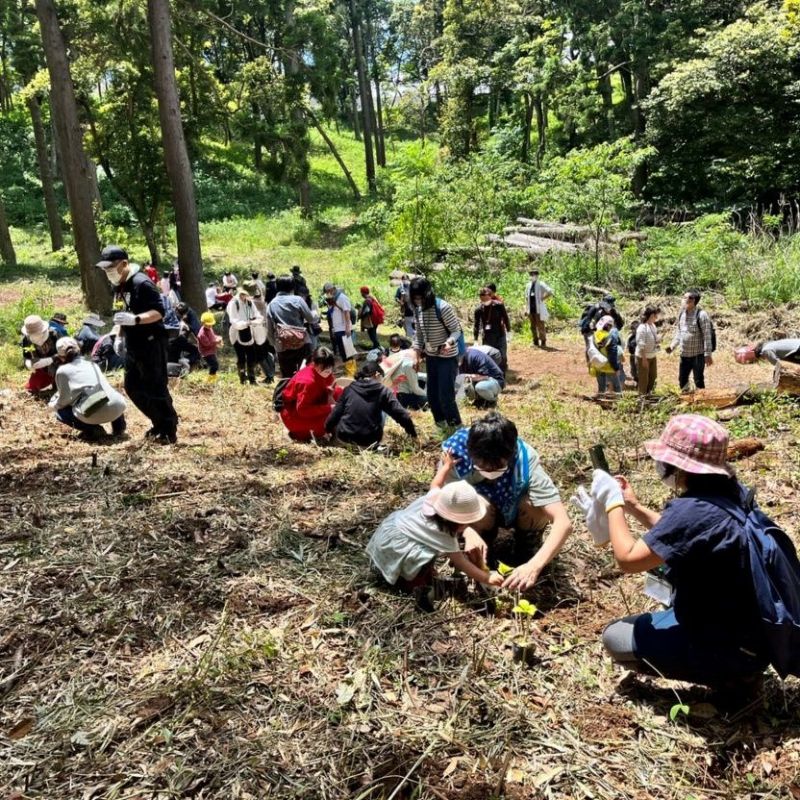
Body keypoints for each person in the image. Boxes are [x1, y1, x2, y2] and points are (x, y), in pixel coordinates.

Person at [594, 414, 773, 689]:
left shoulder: (692, 509)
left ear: (680, 466)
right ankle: (736, 669)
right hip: (754, 641)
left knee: (614, 636)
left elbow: (627, 559)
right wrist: (634, 506)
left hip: (727, 650)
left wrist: (612, 502)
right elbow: (681, 536)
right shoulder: (730, 495)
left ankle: (730, 677)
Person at [441, 412, 573, 590]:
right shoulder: (454, 457)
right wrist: (468, 532)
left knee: (533, 507)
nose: (489, 471)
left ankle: (527, 546)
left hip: (515, 506)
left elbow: (563, 522)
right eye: (482, 467)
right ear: (471, 454)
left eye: (497, 467)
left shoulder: (525, 460)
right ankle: (483, 545)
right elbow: (443, 506)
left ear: (510, 456)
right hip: (480, 512)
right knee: (472, 504)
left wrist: (534, 566)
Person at [366, 453, 504, 607]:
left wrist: (446, 466)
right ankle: (414, 586)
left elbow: (436, 483)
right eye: (466, 522)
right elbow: (462, 563)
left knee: (426, 550)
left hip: (389, 533)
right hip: (397, 547)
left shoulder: (434, 497)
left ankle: (415, 573)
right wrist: (486, 578)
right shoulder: (442, 536)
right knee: (424, 556)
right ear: (456, 522)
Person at [96, 245, 179, 444]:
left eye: (111, 268)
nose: (108, 273)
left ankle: (168, 429)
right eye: (105, 269)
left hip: (151, 342)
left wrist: (136, 320)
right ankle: (158, 423)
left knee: (155, 387)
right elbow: (120, 315)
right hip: (133, 344)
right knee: (132, 386)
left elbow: (159, 312)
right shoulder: (120, 285)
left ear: (124, 264)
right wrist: (117, 335)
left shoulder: (142, 283)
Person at [49, 336, 127, 439]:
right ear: (78, 349)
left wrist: (52, 405)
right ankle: (119, 428)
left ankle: (94, 430)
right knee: (107, 392)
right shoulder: (92, 364)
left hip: (93, 414)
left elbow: (64, 401)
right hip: (118, 407)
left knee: (61, 412)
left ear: (60, 356)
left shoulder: (62, 371)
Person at [325, 361, 417, 448]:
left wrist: (328, 430)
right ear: (377, 375)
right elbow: (402, 415)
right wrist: (413, 434)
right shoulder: (383, 391)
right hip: (368, 442)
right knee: (384, 412)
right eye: (382, 377)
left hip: (344, 438)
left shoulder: (349, 389)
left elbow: (335, 414)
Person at [410, 277, 462, 429]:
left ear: (428, 294)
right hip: (431, 357)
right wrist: (416, 356)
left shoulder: (443, 307)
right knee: (432, 396)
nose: (418, 301)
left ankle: (456, 427)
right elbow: (418, 336)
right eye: (415, 298)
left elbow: (456, 330)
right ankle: (441, 426)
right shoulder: (418, 310)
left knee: (446, 396)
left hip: (447, 357)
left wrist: (448, 342)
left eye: (420, 298)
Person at [279, 346, 339, 441]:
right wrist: (329, 408)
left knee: (339, 392)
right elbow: (303, 410)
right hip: (294, 414)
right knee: (330, 419)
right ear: (314, 363)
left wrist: (330, 396)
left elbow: (330, 385)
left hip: (313, 402)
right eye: (324, 367)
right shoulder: (307, 382)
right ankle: (302, 432)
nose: (329, 370)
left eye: (330, 366)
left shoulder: (324, 371)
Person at [266, 274, 316, 378]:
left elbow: (269, 328)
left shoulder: (271, 304)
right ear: (292, 287)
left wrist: (274, 344)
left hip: (282, 344)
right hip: (301, 343)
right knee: (305, 373)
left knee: (287, 377)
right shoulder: (298, 300)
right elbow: (311, 319)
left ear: (277, 287)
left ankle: (289, 392)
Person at [666, 289, 713, 390]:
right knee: (682, 380)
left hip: (697, 356)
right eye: (684, 298)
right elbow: (679, 332)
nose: (685, 300)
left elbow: (707, 336)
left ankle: (701, 402)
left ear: (694, 301)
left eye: (689, 299)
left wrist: (707, 354)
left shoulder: (701, 315)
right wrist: (672, 346)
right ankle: (686, 400)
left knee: (698, 380)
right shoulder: (681, 314)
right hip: (684, 355)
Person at [226, 285, 266, 385]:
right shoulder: (233, 303)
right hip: (237, 333)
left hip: (250, 332)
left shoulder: (249, 302)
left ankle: (252, 378)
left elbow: (257, 315)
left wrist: (257, 320)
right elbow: (234, 321)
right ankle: (242, 378)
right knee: (241, 357)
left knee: (252, 356)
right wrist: (246, 323)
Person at [473, 287, 510, 370]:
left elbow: (505, 318)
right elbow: (476, 325)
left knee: (502, 356)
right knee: (489, 357)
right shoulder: (478, 309)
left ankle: (502, 376)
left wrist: (509, 332)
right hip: (487, 337)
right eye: (482, 300)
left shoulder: (498, 305)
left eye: (486, 299)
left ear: (490, 296)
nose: (484, 301)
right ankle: (493, 375)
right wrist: (475, 339)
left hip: (500, 334)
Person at [381, 344, 427, 410]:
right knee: (429, 399)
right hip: (403, 397)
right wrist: (428, 396)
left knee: (421, 382)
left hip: (394, 390)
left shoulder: (406, 353)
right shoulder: (410, 364)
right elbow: (415, 389)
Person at [20, 315, 60, 392]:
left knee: (59, 382)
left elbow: (64, 353)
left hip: (56, 364)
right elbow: (26, 356)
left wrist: (50, 360)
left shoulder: (54, 335)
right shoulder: (26, 340)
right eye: (32, 334)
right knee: (33, 387)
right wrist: (29, 364)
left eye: (37, 334)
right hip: (40, 368)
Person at [590, 315, 622, 395]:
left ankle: (602, 403)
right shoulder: (610, 337)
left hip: (598, 365)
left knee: (601, 388)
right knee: (616, 389)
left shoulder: (595, 334)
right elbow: (612, 354)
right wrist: (616, 368)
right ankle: (617, 405)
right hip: (609, 366)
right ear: (609, 326)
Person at [323, 282, 354, 364]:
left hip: (344, 329)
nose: (327, 294)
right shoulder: (334, 299)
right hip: (338, 329)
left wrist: (347, 327)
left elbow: (347, 312)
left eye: (327, 292)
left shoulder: (342, 298)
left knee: (348, 352)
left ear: (331, 290)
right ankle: (348, 370)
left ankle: (351, 372)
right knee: (343, 353)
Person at [635, 305, 661, 396]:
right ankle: (642, 398)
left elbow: (654, 338)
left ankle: (650, 395)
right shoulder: (642, 328)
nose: (657, 317)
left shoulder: (653, 326)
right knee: (643, 379)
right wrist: (644, 359)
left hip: (653, 356)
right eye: (655, 315)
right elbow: (640, 344)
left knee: (653, 377)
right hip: (644, 357)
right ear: (651, 316)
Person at [525, 269, 553, 348]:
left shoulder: (541, 284)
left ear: (537, 276)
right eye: (531, 275)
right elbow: (526, 298)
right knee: (532, 326)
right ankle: (535, 342)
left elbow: (550, 291)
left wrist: (543, 298)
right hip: (531, 309)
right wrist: (526, 308)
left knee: (540, 325)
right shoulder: (528, 285)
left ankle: (543, 341)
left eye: (534, 275)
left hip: (538, 308)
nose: (532, 276)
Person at [197, 312, 222, 382]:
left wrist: (217, 337)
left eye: (211, 324)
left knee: (214, 364)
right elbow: (207, 344)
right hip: (206, 352)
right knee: (214, 365)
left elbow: (212, 336)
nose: (210, 326)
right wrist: (216, 341)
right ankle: (210, 379)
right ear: (203, 323)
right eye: (208, 325)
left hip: (211, 350)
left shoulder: (209, 329)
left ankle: (213, 376)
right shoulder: (202, 334)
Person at [358, 286, 382, 350]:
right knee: (372, 333)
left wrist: (361, 315)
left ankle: (377, 347)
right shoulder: (372, 298)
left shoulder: (367, 300)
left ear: (363, 293)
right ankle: (375, 346)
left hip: (371, 320)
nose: (361, 294)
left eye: (361, 292)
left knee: (372, 334)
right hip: (375, 319)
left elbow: (367, 310)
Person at [395, 274, 415, 339]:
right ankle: (409, 339)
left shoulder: (412, 287)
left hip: (414, 309)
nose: (405, 281)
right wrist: (400, 301)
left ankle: (413, 339)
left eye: (406, 279)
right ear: (402, 280)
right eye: (404, 279)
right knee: (407, 326)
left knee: (414, 326)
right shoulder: (400, 288)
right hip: (405, 310)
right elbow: (396, 298)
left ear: (409, 280)